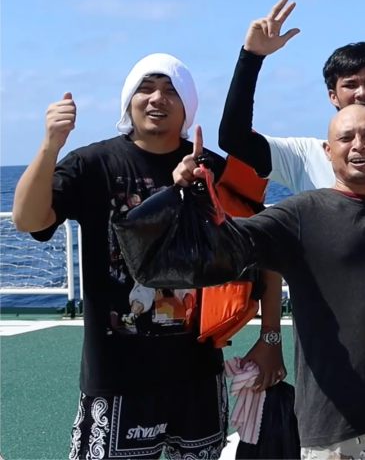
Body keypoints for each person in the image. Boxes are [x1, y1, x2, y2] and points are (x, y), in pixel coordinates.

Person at [170, 106, 365, 459]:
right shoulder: (300, 215)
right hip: (333, 426)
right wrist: (194, 196)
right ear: (327, 150)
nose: (359, 145)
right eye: (346, 137)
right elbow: (225, 244)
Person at [12, 54, 232, 459]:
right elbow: (28, 220)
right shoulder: (93, 164)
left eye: (170, 91)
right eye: (145, 88)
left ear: (187, 105)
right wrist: (50, 145)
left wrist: (268, 337)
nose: (157, 98)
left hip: (198, 372)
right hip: (117, 377)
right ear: (128, 100)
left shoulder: (211, 167)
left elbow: (252, 248)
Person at [216, 0, 365, 355]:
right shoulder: (305, 155)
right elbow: (234, 139)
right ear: (332, 95)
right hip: (329, 345)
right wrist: (251, 57)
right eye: (350, 83)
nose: (362, 92)